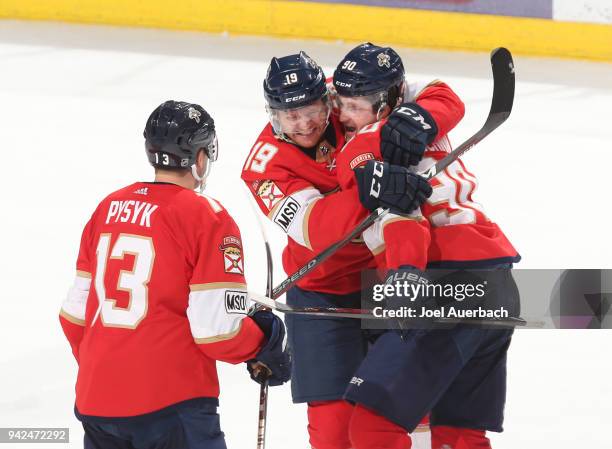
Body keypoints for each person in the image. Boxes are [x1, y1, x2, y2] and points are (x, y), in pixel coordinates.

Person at [241, 50, 459, 449]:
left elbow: (438, 94)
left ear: (327, 99)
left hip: (386, 273)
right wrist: (370, 188)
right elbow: (316, 228)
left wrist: (422, 118)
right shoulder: (262, 166)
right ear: (273, 115)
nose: (305, 123)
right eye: (291, 116)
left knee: (414, 406)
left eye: (313, 110)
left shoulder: (348, 100)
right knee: (334, 433)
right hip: (320, 293)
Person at [59, 100, 290, 449]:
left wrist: (113, 368)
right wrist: (263, 342)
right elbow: (217, 333)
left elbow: (73, 317)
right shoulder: (206, 216)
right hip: (171, 404)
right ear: (200, 158)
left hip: (97, 402)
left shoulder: (107, 207)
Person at [330, 43, 521, 449]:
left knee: (372, 429)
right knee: (459, 435)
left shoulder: (361, 141)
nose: (343, 116)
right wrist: (420, 115)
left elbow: (403, 217)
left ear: (388, 101)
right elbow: (440, 93)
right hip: (498, 282)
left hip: (442, 284)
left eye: (355, 106)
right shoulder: (433, 124)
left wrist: (406, 274)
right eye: (341, 103)